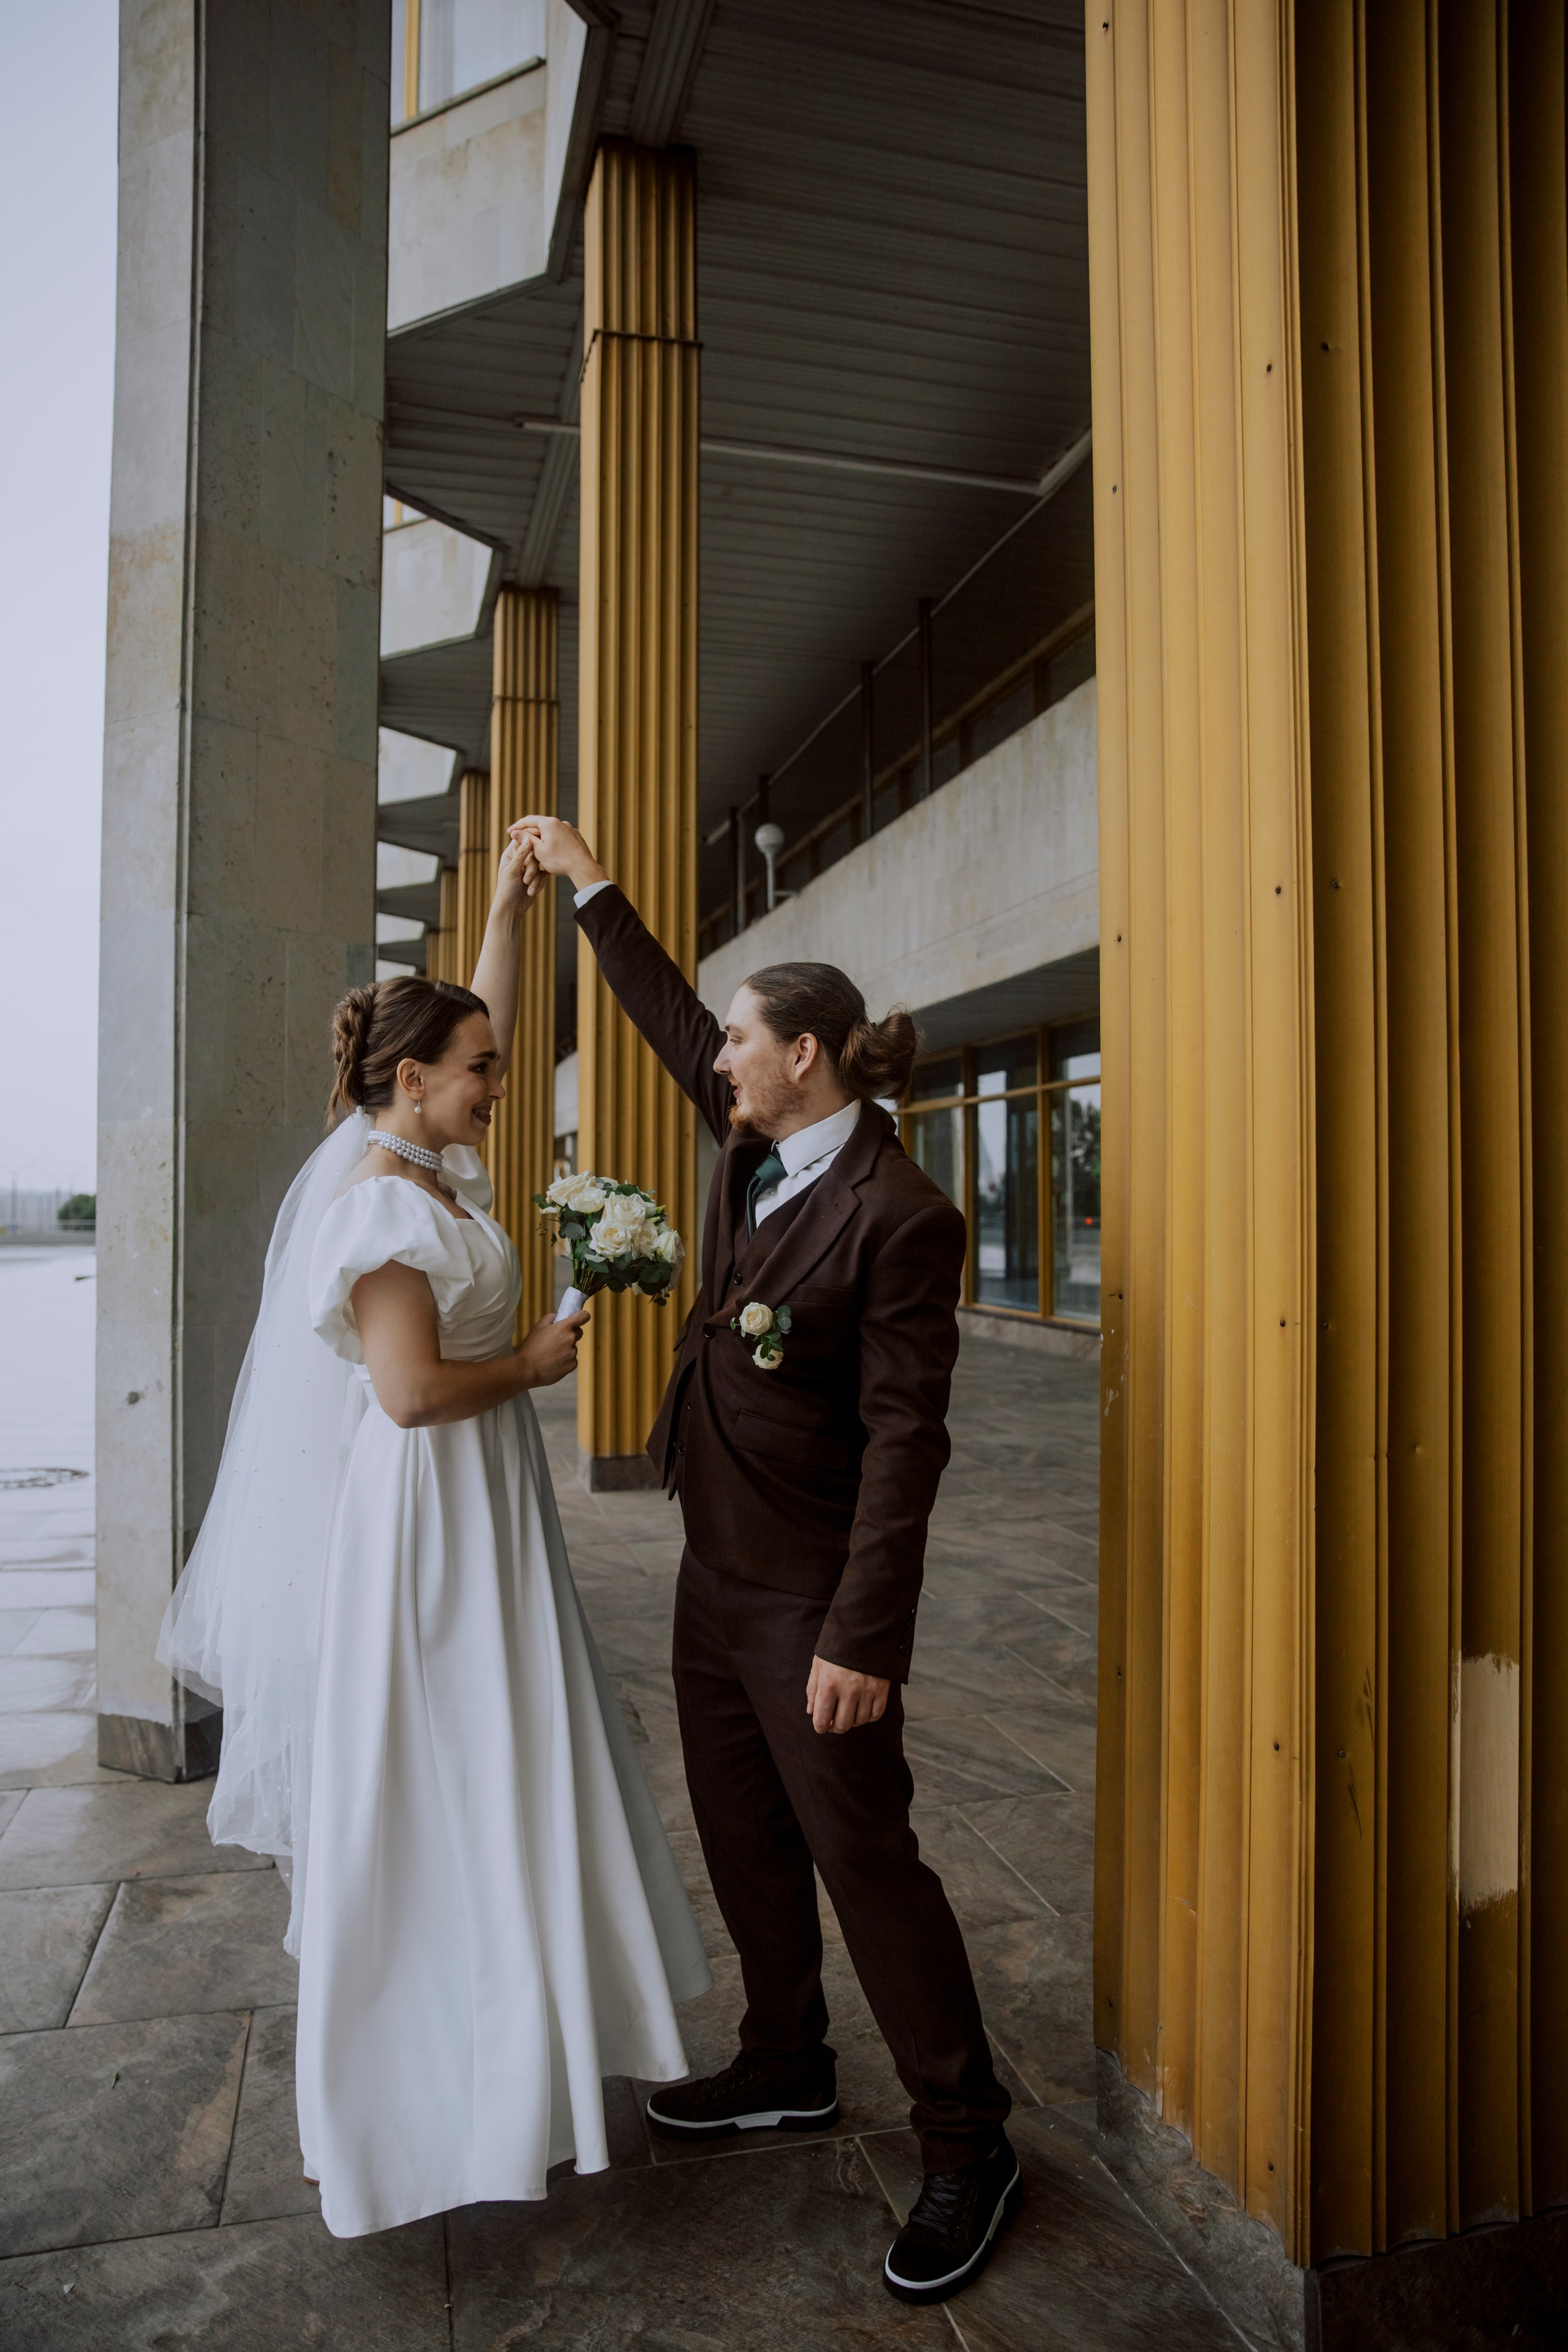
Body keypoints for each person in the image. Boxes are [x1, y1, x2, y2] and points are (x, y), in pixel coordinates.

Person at [159, 835, 710, 2239]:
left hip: (485, 1503)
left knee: (503, 1760)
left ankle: (525, 2064)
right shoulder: (381, 1210)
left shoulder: (431, 1166)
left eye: (495, 1066)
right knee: (437, 1781)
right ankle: (407, 2109)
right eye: (481, 1072)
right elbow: (406, 1395)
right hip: (430, 1521)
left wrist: (511, 912)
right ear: (410, 1081)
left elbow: (477, 1017)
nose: (498, 1084)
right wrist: (530, 1366)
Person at [515, 814, 1020, 2307]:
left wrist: (862, 1635)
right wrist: (591, 886)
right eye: (727, 1041)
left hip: (811, 1595)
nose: (720, 1057)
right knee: (741, 1832)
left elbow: (906, 1443)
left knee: (866, 1859)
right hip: (711, 1571)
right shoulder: (753, 1143)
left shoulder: (901, 1217)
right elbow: (673, 1017)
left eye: (744, 1039)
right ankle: (786, 2058)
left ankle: (968, 2141)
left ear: (805, 1054)